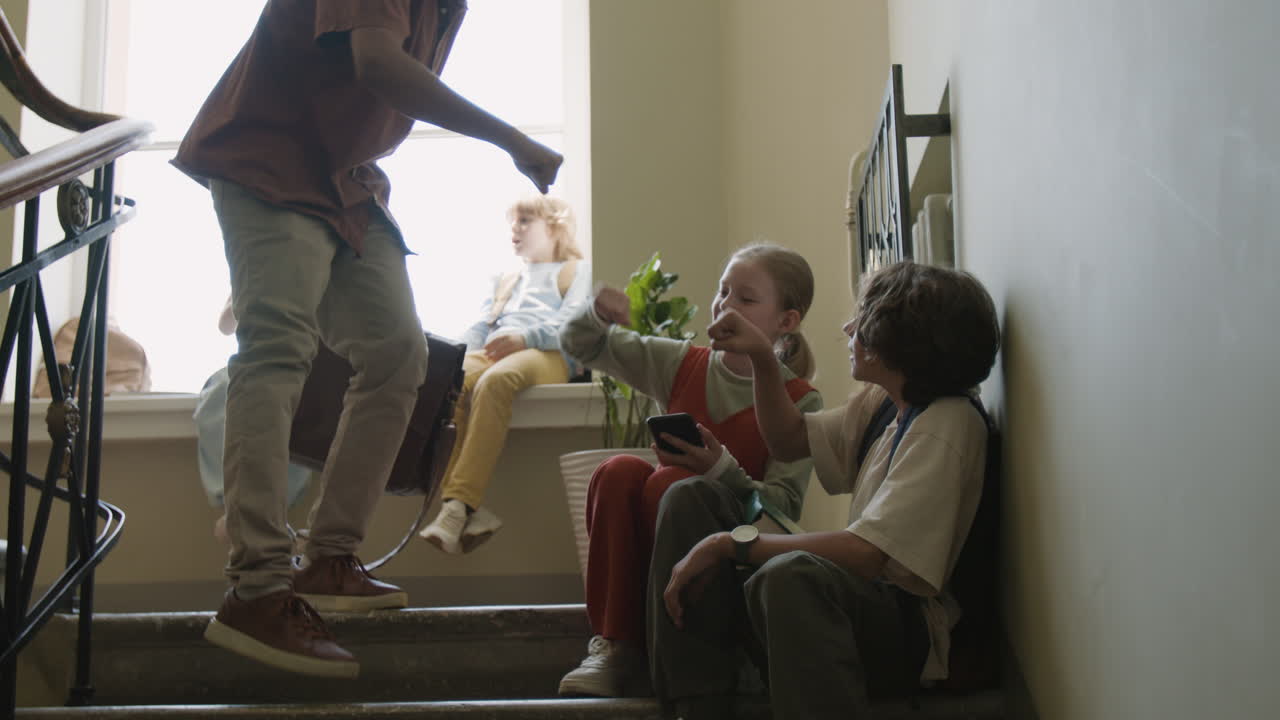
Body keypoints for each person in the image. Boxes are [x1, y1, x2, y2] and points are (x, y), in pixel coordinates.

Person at [172, 1, 563, 679]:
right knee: (275, 351)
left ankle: (329, 557)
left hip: (347, 181)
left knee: (396, 357)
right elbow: (378, 65)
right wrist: (511, 140)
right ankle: (258, 588)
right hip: (269, 157)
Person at [648, 261, 1001, 719]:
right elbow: (789, 438)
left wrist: (730, 545)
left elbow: (867, 554)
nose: (849, 326)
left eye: (865, 318)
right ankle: (695, 705)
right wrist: (761, 356)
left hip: (909, 630)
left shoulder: (945, 423)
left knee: (792, 575)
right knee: (691, 495)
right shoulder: (886, 404)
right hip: (851, 604)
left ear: (904, 339)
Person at [556, 243, 823, 698]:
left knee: (676, 483)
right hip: (655, 536)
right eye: (723, 291)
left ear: (787, 321)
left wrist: (721, 470)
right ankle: (614, 645)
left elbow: (784, 508)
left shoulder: (801, 400)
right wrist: (597, 312)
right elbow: (583, 345)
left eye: (746, 297)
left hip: (728, 566)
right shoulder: (681, 362)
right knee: (617, 470)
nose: (725, 304)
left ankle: (684, 643)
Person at [419, 195, 590, 554]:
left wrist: (525, 337)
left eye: (525, 221)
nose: (515, 228)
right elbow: (481, 326)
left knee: (496, 382)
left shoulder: (576, 270)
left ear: (555, 227)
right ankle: (466, 508)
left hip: (548, 353)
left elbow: (574, 326)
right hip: (496, 349)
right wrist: (448, 358)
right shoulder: (507, 279)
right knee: (450, 384)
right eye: (513, 222)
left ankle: (456, 509)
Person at [195, 299, 311, 545]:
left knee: (291, 407)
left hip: (300, 365)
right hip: (253, 363)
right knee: (222, 395)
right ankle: (240, 504)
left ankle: (265, 506)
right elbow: (226, 325)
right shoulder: (256, 270)